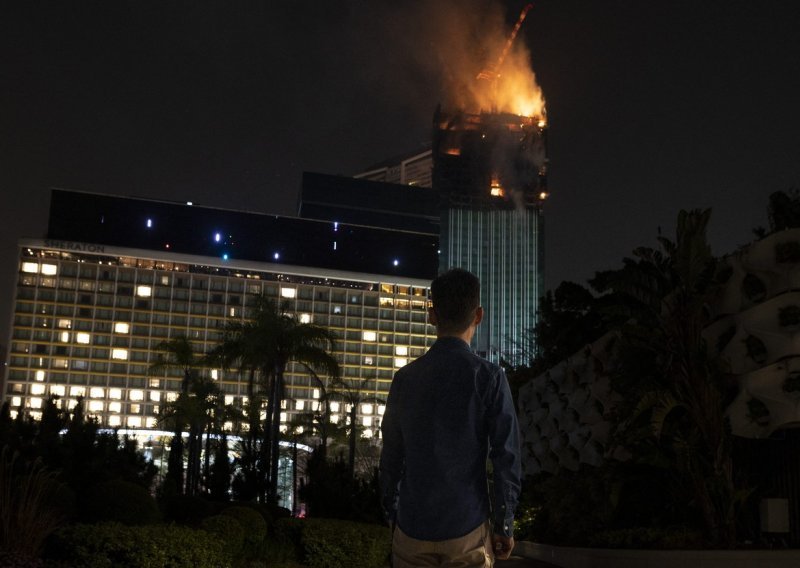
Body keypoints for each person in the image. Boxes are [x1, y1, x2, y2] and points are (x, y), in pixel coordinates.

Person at [379, 268, 522, 567]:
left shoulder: (404, 379)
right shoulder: (490, 378)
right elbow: (505, 456)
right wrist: (504, 524)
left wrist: (390, 515)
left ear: (432, 315)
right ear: (478, 315)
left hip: (411, 527)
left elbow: (391, 457)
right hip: (467, 525)